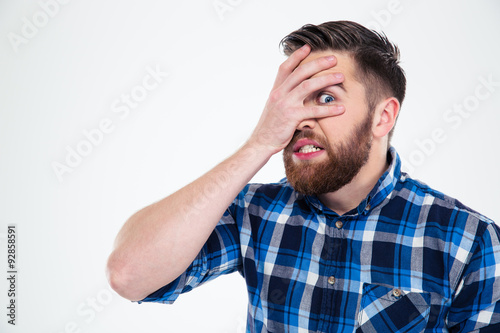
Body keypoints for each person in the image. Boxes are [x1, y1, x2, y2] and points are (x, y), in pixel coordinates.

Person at [106, 21, 500, 332]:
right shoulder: (254, 212)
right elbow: (129, 274)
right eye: (293, 99)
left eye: (326, 98)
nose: (300, 119)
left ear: (383, 117)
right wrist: (258, 143)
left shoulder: (469, 240)